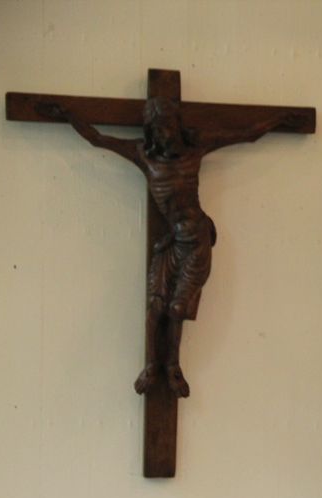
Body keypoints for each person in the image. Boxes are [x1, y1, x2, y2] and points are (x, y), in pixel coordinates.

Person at [37, 97, 297, 398]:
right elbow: (98, 139)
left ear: (178, 126)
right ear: (151, 132)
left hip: (197, 240)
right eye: (158, 130)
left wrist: (279, 118)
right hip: (171, 241)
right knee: (155, 306)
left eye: (169, 127)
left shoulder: (195, 148)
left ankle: (172, 366)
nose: (165, 135)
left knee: (176, 308)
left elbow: (245, 134)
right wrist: (68, 114)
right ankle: (151, 366)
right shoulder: (143, 155)